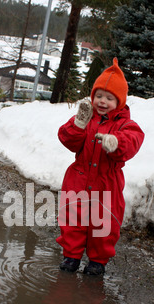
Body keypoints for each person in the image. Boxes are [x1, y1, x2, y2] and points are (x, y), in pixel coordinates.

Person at [57, 58, 145, 275]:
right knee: (73, 219)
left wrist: (116, 143)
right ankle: (71, 256)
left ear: (120, 101)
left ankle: (97, 260)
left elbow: (133, 141)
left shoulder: (126, 124)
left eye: (109, 97)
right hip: (78, 178)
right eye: (98, 96)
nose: (102, 101)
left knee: (103, 224)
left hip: (107, 183)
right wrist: (78, 125)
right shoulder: (85, 118)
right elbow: (68, 140)